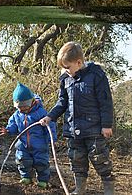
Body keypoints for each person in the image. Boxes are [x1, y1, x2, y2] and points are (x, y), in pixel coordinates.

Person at [39, 42, 115, 195]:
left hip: (94, 129)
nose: (65, 71)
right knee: (77, 160)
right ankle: (79, 189)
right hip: (74, 130)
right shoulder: (65, 79)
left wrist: (106, 125)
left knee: (100, 160)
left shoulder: (96, 75)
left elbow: (105, 102)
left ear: (79, 62)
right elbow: (62, 102)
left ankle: (109, 190)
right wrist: (49, 116)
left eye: (67, 67)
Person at [0, 82, 57, 188]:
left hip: (39, 144)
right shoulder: (17, 115)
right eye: (19, 107)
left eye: (24, 107)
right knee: (22, 160)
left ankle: (43, 180)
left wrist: (52, 138)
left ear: (31, 102)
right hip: (23, 144)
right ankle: (26, 177)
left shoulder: (41, 113)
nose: (22, 109)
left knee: (41, 163)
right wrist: (8, 130)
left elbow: (50, 125)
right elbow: (13, 125)